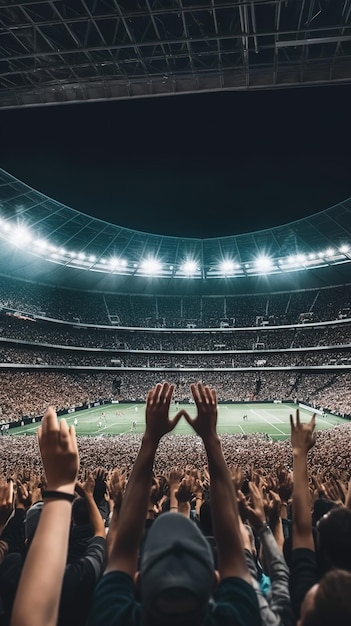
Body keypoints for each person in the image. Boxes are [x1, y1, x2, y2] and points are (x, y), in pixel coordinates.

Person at [89, 382, 260, 625]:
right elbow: (233, 547)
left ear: (138, 581)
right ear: (215, 580)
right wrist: (211, 439)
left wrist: (151, 439)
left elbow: (123, 548)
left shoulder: (111, 618)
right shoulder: (239, 619)